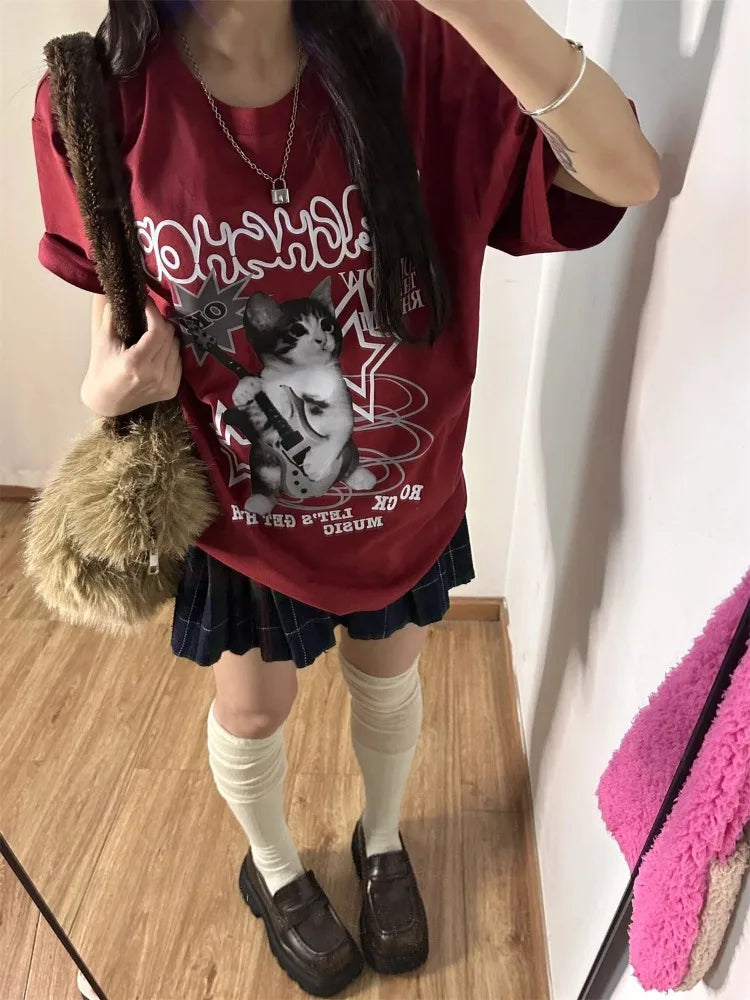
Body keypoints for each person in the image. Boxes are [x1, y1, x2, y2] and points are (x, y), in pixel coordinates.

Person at [32, 1, 659, 995]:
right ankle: (274, 867)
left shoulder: (424, 50)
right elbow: (113, 316)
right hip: (241, 513)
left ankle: (383, 838)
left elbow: (627, 174)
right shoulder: (99, 97)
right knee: (253, 713)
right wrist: (103, 392)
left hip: (397, 494)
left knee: (388, 678)